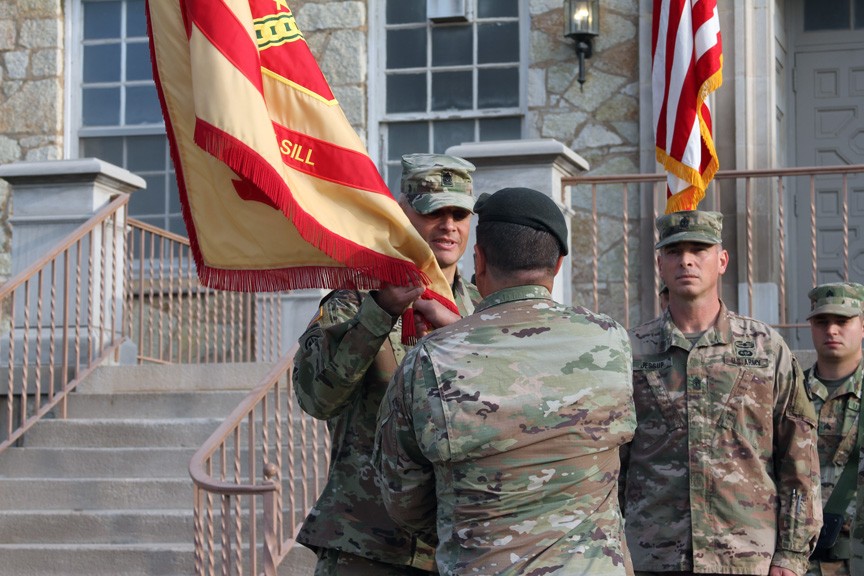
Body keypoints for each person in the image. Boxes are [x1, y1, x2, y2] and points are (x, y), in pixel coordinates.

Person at [374, 187, 637, 575]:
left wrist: (467, 525)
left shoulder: (430, 359)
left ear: (478, 260)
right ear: (559, 264)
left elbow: (401, 494)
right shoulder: (610, 340)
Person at [292, 153, 481, 575]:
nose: (448, 225)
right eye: (434, 212)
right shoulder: (356, 299)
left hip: (458, 546)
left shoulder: (480, 311)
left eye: (459, 213)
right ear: (403, 215)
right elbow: (316, 398)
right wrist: (379, 312)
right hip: (367, 543)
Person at [622, 210, 822, 576]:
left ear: (722, 260)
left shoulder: (766, 349)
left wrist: (791, 557)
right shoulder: (631, 351)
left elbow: (799, 460)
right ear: (659, 264)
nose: (686, 259)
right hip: (654, 556)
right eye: (674, 251)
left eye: (699, 249)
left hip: (745, 557)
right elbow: (613, 462)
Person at [803, 282, 864, 576]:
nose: (832, 330)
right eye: (822, 321)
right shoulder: (788, 392)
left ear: (862, 327)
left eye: (843, 321)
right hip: (802, 561)